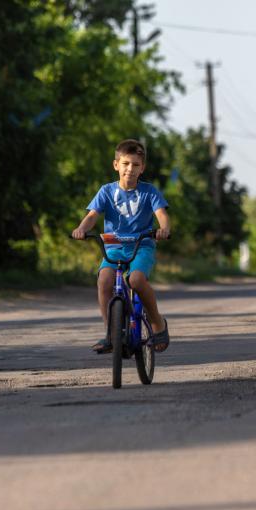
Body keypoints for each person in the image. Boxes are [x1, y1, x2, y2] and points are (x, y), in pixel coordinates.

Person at [72, 139, 171, 354]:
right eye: (126, 164)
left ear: (142, 168)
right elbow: (92, 216)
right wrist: (81, 229)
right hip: (113, 242)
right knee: (105, 280)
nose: (130, 169)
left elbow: (162, 214)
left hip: (142, 242)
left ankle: (157, 323)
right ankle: (111, 333)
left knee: (135, 279)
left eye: (136, 165)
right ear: (116, 165)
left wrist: (163, 229)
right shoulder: (106, 191)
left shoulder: (149, 191)